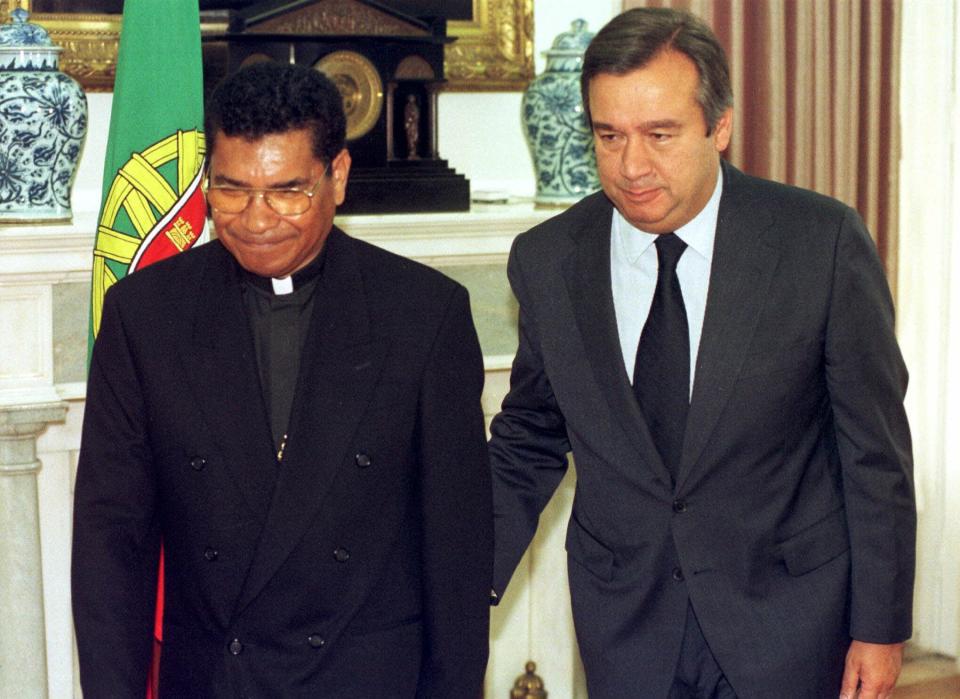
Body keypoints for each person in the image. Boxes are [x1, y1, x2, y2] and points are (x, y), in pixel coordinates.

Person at [488, 8, 914, 699]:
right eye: (609, 135)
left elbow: (874, 453)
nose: (632, 166)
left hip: (787, 617)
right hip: (625, 621)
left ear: (720, 126)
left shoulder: (820, 243)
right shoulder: (548, 260)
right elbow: (533, 433)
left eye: (660, 135)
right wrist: (456, 578)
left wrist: (881, 627)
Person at [72, 61, 492, 697]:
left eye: (287, 190)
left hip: (367, 680)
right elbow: (111, 547)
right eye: (231, 189)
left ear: (338, 177)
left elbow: (457, 555)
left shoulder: (423, 314)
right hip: (215, 679)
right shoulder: (144, 315)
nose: (255, 218)